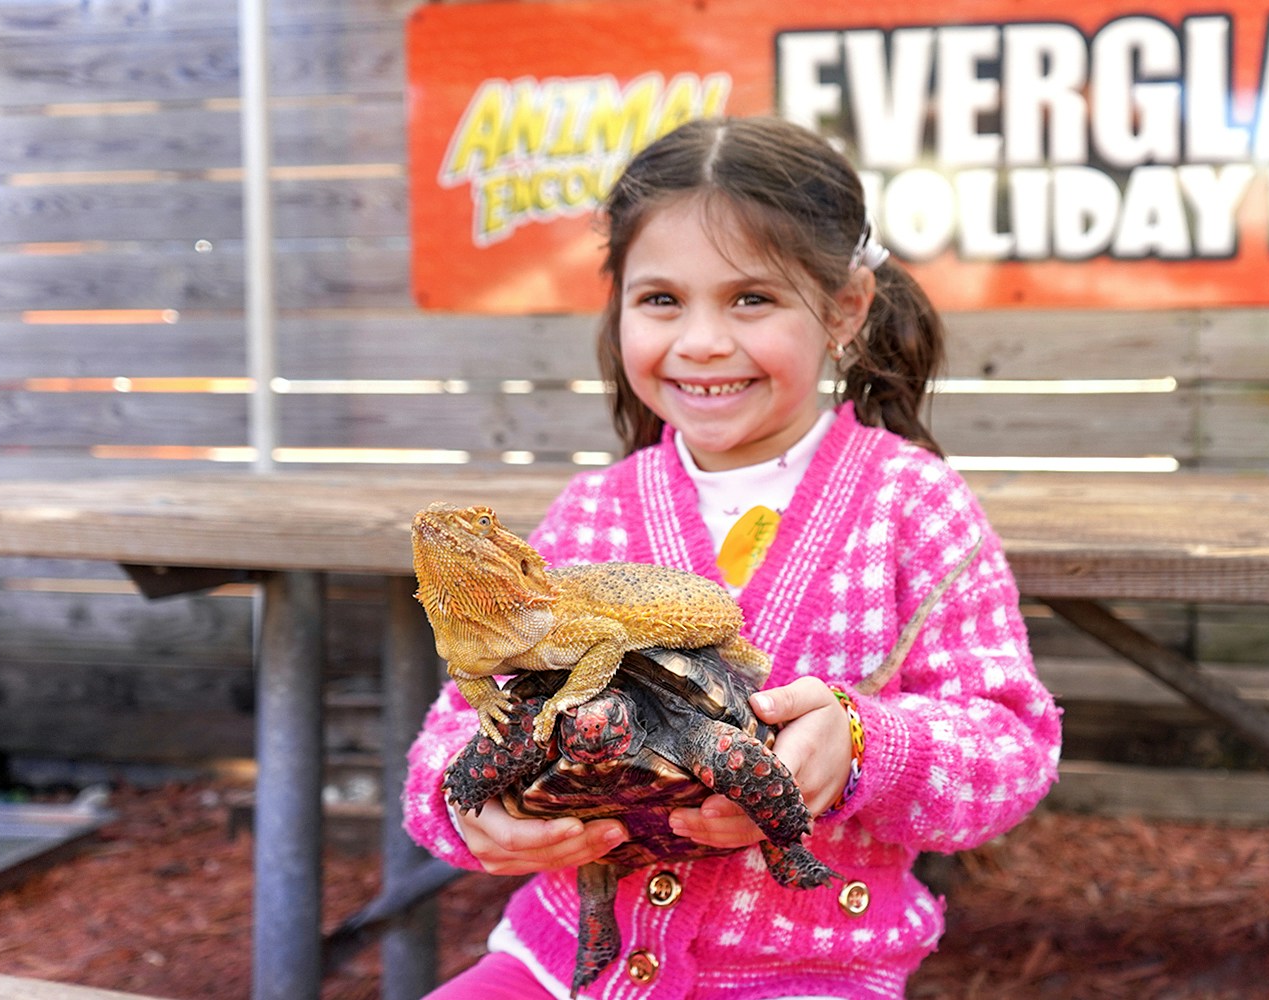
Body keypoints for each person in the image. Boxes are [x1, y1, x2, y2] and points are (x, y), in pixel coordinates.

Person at [402, 114, 1062, 1000]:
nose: (702, 340)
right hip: (559, 961)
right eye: (662, 299)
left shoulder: (913, 507)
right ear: (620, 307)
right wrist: (470, 810)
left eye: (751, 298)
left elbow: (1011, 751)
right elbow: (456, 728)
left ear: (844, 310)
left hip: (809, 974)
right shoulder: (588, 515)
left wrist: (868, 742)